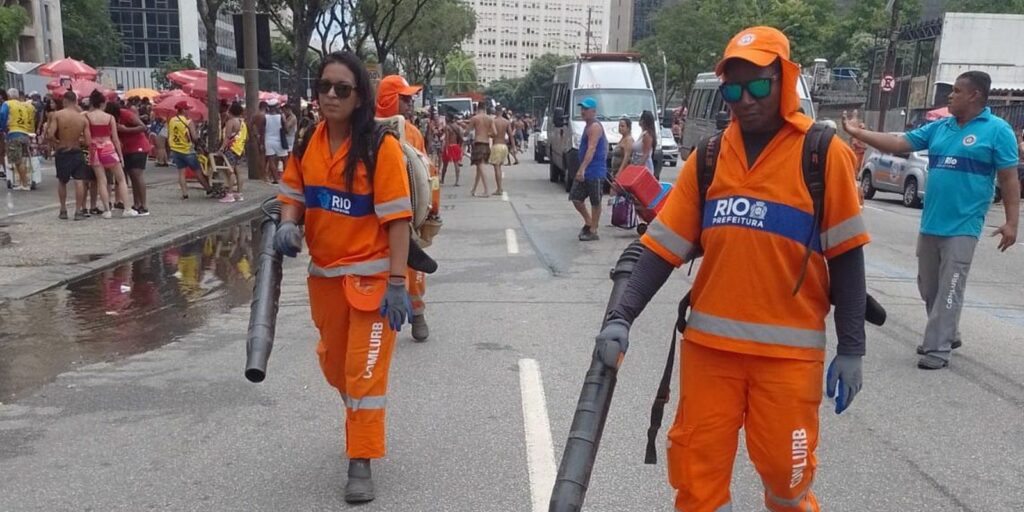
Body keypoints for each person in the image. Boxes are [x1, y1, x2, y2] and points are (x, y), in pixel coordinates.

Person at [595, 27, 869, 512]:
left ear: (784, 80)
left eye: (758, 86)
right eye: (733, 90)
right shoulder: (710, 158)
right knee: (696, 482)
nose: (746, 99)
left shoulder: (823, 154)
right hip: (710, 355)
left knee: (789, 483)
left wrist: (852, 346)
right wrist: (622, 316)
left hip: (787, 359)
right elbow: (661, 249)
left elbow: (846, 255)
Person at [273, 51, 414, 504]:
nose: (331, 95)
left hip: (374, 283)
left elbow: (398, 222)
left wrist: (397, 283)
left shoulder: (380, 147)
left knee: (364, 374)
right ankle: (358, 429)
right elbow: (293, 195)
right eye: (324, 87)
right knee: (337, 369)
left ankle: (361, 460)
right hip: (326, 280)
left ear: (359, 98)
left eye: (343, 89)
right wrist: (289, 223)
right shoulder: (306, 143)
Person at [843, 70, 1020, 370]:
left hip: (964, 225)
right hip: (932, 222)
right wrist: (859, 133)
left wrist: (1011, 222)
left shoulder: (997, 131)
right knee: (928, 286)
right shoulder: (940, 128)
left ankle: (938, 348)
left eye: (957, 92)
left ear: (975, 95)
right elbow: (898, 143)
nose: (950, 96)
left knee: (951, 284)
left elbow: (1009, 178)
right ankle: (948, 333)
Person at [376, 74, 433, 342]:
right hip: (371, 215)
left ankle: (418, 315)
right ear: (389, 99)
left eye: (410, 99)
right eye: (404, 98)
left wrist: (431, 213)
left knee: (412, 266)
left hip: (405, 215)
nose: (410, 104)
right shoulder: (362, 129)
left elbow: (425, 175)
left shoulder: (412, 133)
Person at [84, 90, 133, 218]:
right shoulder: (110, 117)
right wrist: (120, 156)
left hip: (94, 149)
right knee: (121, 179)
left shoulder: (87, 117)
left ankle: (107, 210)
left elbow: (87, 138)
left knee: (101, 180)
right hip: (108, 147)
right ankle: (127, 208)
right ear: (102, 103)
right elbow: (115, 139)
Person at [46, 91, 92, 220]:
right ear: (76, 101)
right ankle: (78, 211)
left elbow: (50, 134)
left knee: (62, 181)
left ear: (65, 101)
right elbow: (88, 141)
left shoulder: (58, 115)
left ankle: (63, 209)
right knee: (79, 181)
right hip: (77, 150)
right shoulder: (83, 118)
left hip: (63, 150)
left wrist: (57, 142)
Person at [569, 97, 607, 241]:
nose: (583, 111)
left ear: (593, 111)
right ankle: (589, 221)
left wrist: (582, 168)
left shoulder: (595, 127)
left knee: (595, 201)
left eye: (586, 109)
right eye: (582, 109)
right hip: (586, 169)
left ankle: (593, 229)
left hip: (594, 170)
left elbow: (591, 148)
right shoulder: (587, 126)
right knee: (576, 198)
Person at [111, 98, 152, 216]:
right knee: (132, 176)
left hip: (138, 146)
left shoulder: (127, 114)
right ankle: (137, 203)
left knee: (137, 174)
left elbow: (143, 127)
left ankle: (144, 205)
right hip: (126, 149)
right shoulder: (111, 118)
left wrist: (126, 129)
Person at [167, 101, 207, 200]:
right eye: (187, 109)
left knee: (181, 173)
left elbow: (170, 134)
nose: (188, 111)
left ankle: (185, 194)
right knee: (198, 171)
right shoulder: (188, 122)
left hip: (175, 150)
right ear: (183, 110)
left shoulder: (172, 120)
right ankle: (208, 189)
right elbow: (194, 137)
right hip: (187, 150)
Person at [2, 88, 36, 190]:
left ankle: (25, 184)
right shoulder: (24, 105)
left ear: (9, 96)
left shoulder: (7, 104)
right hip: (25, 134)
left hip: (13, 133)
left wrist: (3, 128)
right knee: (22, 160)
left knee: (18, 161)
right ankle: (22, 182)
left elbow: (2, 115)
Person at [219, 101, 247, 203]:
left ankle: (230, 194)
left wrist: (222, 148)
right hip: (240, 149)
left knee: (230, 171)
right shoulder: (242, 122)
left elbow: (227, 137)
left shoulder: (231, 122)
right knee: (239, 171)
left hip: (231, 148)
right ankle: (239, 194)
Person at [469, 102, 495, 197]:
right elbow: (494, 133)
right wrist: (487, 134)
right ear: (485, 108)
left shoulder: (475, 118)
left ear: (477, 108)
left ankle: (487, 190)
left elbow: (468, 131)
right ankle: (474, 189)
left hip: (478, 143)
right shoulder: (490, 119)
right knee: (479, 168)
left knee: (480, 167)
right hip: (486, 144)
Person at [490, 109, 514, 195]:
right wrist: (514, 147)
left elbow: (492, 133)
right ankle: (500, 188)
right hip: (504, 146)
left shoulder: (493, 121)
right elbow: (511, 135)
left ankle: (499, 189)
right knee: (499, 167)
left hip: (496, 145)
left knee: (496, 168)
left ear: (496, 112)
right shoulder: (506, 122)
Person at [264, 99, 287, 182]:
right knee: (284, 159)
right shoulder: (281, 116)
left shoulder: (265, 117)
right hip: (280, 140)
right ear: (276, 107)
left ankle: (276, 179)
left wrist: (261, 142)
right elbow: (286, 128)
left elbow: (262, 130)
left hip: (268, 140)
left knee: (271, 160)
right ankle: (286, 178)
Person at [441, 114, 464, 186]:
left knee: (445, 164)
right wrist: (460, 146)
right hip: (455, 146)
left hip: (449, 146)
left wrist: (446, 148)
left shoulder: (446, 127)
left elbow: (446, 138)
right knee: (456, 164)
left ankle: (442, 179)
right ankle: (457, 181)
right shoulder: (457, 127)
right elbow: (461, 137)